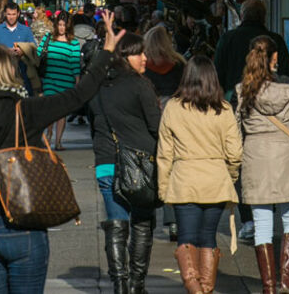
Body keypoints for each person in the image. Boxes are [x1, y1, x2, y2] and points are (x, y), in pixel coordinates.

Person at [0, 9, 123, 294]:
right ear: (7, 71)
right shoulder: (25, 109)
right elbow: (79, 95)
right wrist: (106, 51)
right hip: (22, 224)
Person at [157, 56, 243, 294]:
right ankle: (205, 289)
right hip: (215, 179)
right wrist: (231, 176)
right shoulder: (224, 109)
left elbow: (164, 154)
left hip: (184, 180)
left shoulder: (173, 108)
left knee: (186, 239)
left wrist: (164, 188)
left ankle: (194, 289)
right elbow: (235, 152)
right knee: (208, 238)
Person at [236, 36, 289, 294]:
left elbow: (236, 131)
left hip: (255, 160)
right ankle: (287, 282)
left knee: (262, 225)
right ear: (274, 59)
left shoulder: (241, 91)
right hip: (286, 159)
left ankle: (268, 287)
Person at [214, 0, 289, 243]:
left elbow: (217, 73)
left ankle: (248, 220)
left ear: (241, 16)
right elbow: (288, 75)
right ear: (264, 16)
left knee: (242, 162)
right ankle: (267, 212)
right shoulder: (276, 40)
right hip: (272, 108)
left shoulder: (228, 39)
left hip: (237, 106)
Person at [88, 32, 161, 294]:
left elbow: (93, 123)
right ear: (125, 56)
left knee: (116, 224)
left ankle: (119, 284)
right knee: (142, 223)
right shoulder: (140, 85)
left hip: (106, 162)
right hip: (140, 165)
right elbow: (156, 126)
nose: (145, 58)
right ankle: (136, 284)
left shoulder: (97, 85)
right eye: (139, 53)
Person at [144, 24, 185, 243]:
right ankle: (175, 220)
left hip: (153, 116)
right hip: (177, 116)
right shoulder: (179, 63)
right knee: (174, 166)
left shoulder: (144, 65)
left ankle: (148, 217)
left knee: (154, 167)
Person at [36, 12, 81, 150]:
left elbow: (75, 63)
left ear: (68, 26)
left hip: (66, 80)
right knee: (50, 109)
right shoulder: (48, 38)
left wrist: (77, 82)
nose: (61, 28)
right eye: (59, 25)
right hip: (50, 79)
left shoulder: (74, 43)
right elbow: (38, 54)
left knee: (61, 112)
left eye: (64, 25)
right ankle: (49, 132)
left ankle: (58, 141)